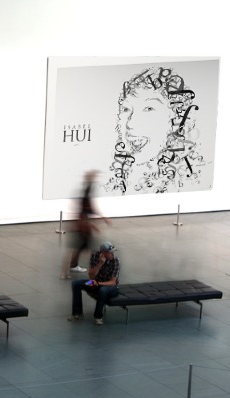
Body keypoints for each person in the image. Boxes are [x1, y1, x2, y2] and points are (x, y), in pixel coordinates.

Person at [104, 66, 203, 195]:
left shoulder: (189, 184)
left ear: (176, 119)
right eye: (126, 109)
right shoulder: (111, 182)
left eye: (148, 109)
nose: (130, 124)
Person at [61, 170, 111, 279]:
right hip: (82, 228)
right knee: (78, 248)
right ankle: (66, 272)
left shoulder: (85, 194)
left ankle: (72, 267)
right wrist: (98, 222)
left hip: (82, 226)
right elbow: (87, 211)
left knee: (78, 248)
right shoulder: (86, 196)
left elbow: (87, 210)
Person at [68, 241, 120, 325]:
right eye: (110, 252)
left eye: (112, 252)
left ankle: (98, 317)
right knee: (76, 284)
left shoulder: (115, 261)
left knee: (103, 290)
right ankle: (77, 313)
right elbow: (91, 276)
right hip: (95, 282)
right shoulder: (95, 256)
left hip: (110, 287)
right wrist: (100, 264)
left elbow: (113, 282)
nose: (112, 254)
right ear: (103, 253)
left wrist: (99, 283)